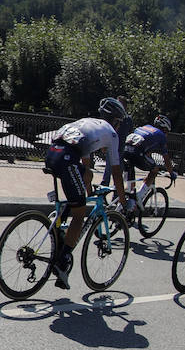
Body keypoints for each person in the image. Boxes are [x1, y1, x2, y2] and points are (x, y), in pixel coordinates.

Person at [43, 97, 129, 290]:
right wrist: (122, 200)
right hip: (66, 158)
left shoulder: (88, 123)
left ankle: (59, 223)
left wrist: (88, 190)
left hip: (52, 154)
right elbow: (116, 171)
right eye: (119, 123)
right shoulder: (112, 134)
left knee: (84, 183)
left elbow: (86, 166)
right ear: (115, 120)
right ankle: (63, 260)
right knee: (80, 214)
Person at [120, 115, 177, 211]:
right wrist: (171, 173)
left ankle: (124, 210)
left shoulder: (146, 127)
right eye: (167, 131)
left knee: (130, 187)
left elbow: (146, 150)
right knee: (155, 170)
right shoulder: (161, 135)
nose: (166, 134)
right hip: (137, 153)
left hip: (125, 152)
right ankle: (140, 195)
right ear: (164, 129)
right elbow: (166, 159)